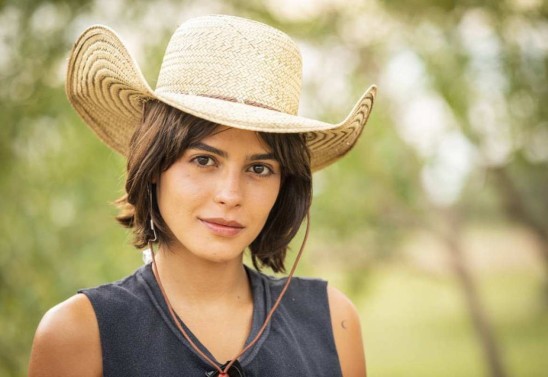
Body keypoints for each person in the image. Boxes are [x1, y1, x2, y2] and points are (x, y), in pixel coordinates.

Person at [28, 14, 376, 377]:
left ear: (285, 185)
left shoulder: (334, 323)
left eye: (259, 169)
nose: (230, 195)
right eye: (204, 160)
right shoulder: (80, 333)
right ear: (154, 167)